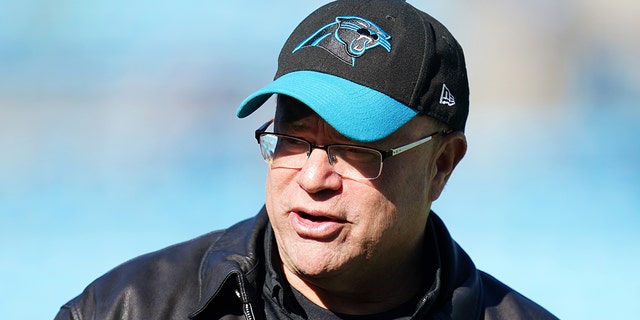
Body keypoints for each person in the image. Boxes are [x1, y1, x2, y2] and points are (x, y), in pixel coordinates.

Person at [55, 0, 558, 319]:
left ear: (442, 165)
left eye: (357, 150)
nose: (314, 178)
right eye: (292, 140)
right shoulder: (124, 309)